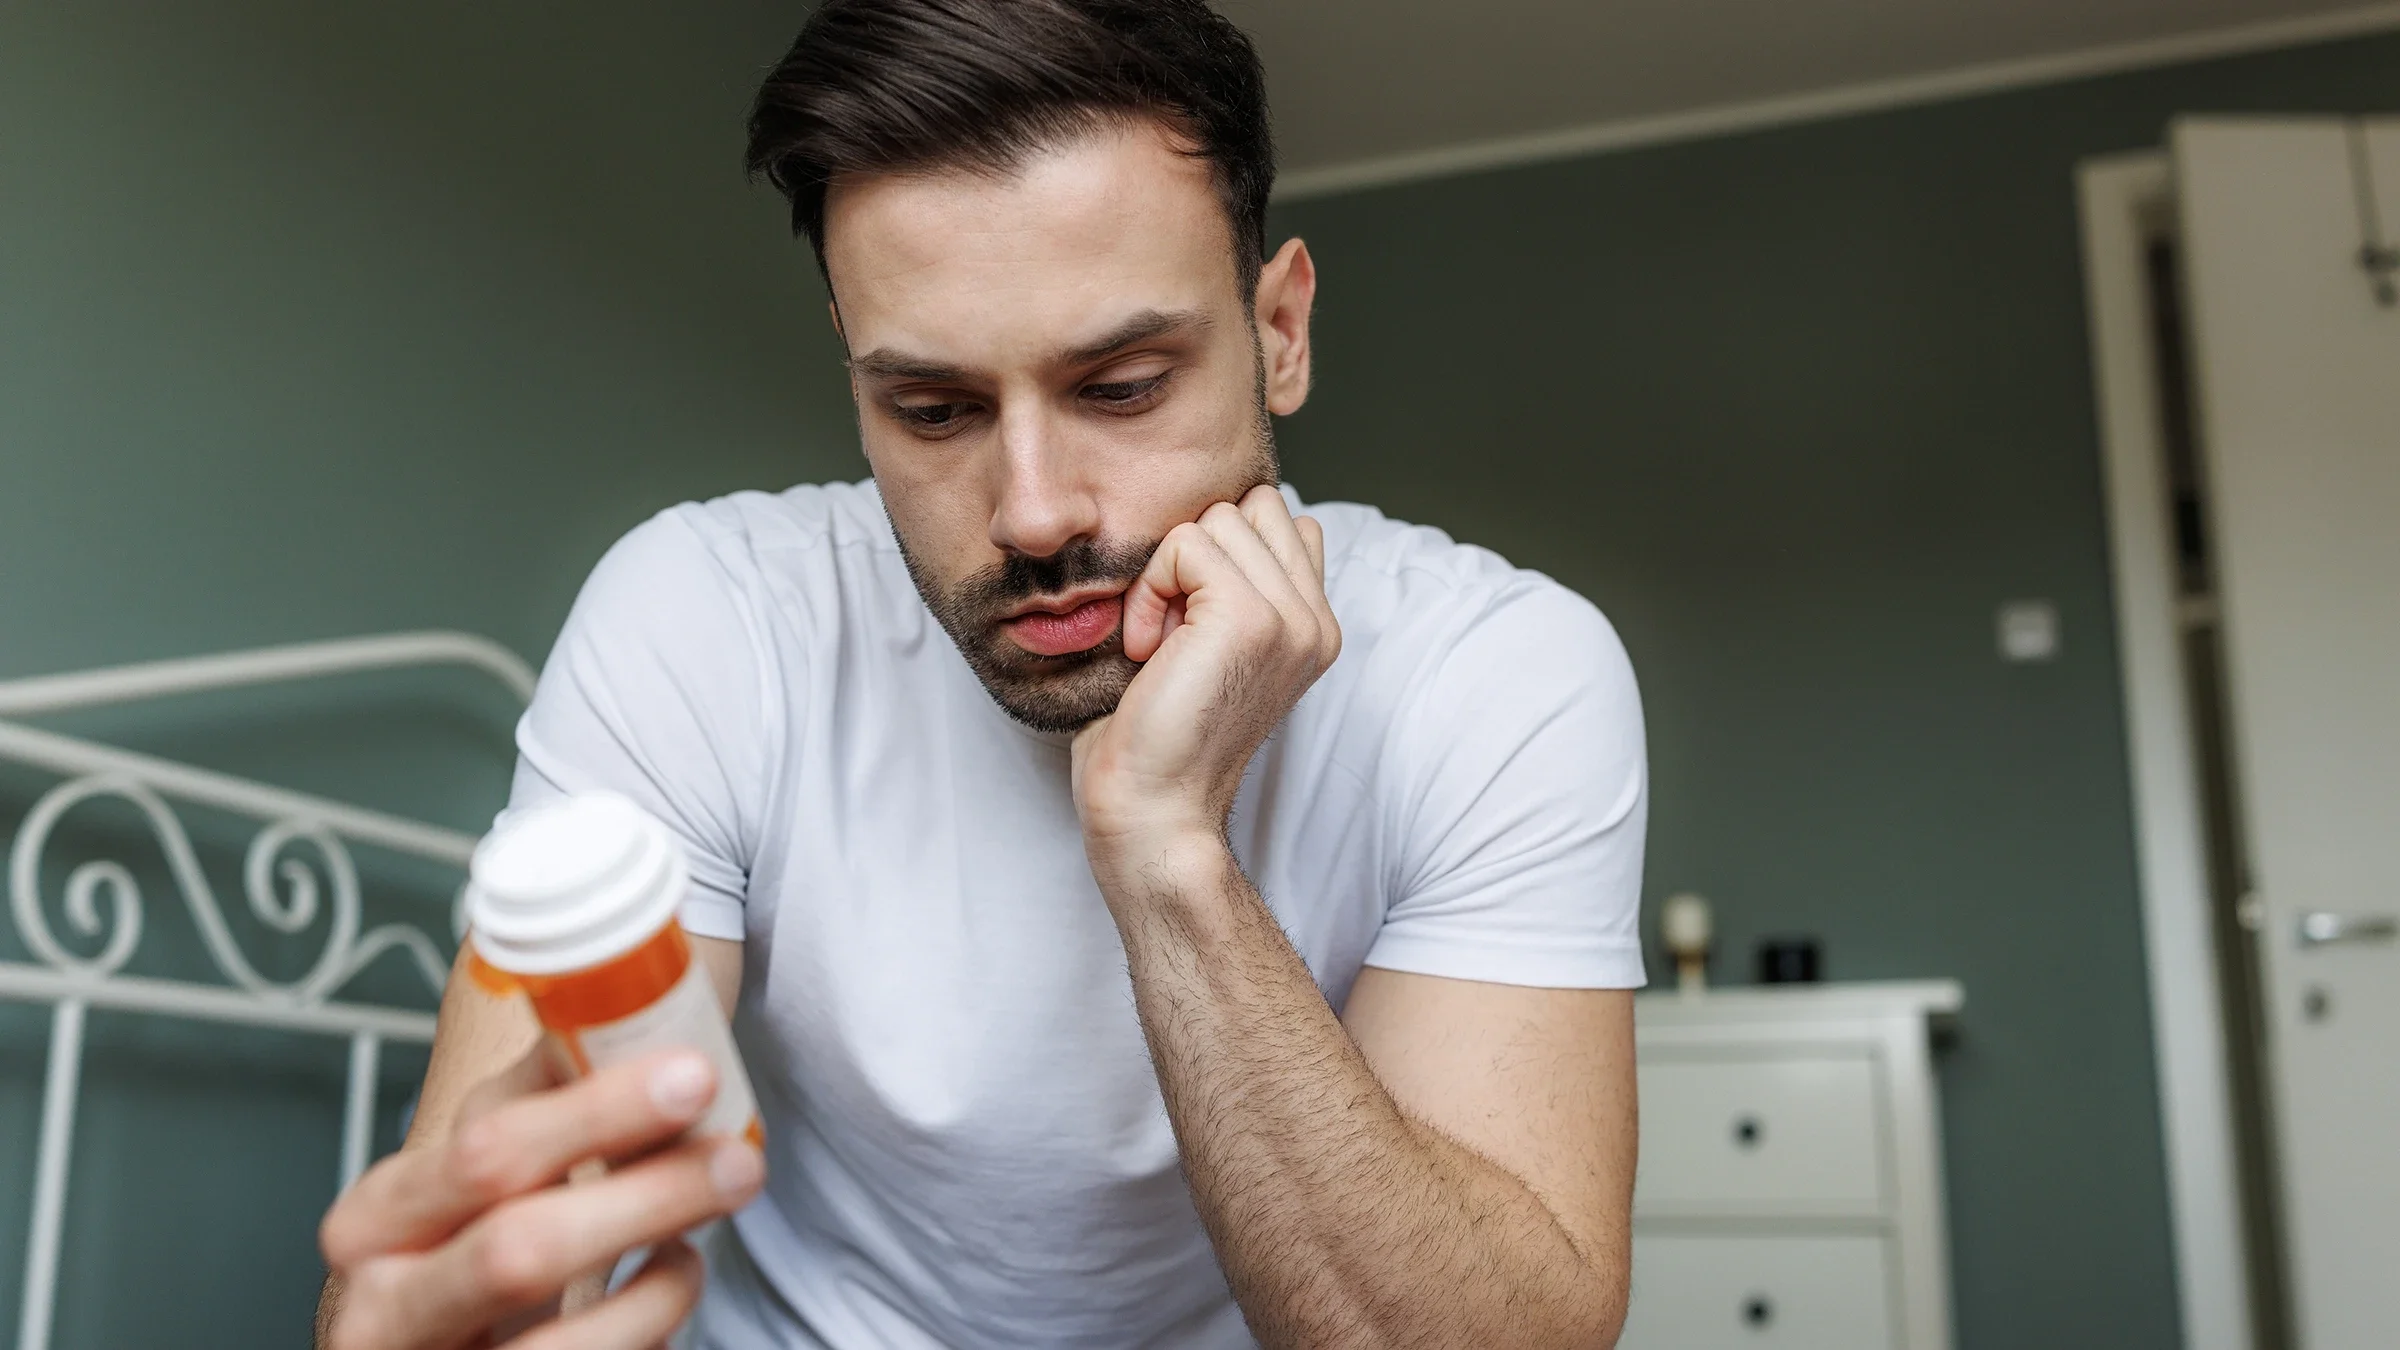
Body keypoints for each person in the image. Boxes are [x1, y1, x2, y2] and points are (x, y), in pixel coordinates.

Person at [315, 2, 1646, 1346]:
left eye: (1122, 385)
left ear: (1281, 331)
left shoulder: (1497, 675)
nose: (1032, 513)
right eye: (934, 410)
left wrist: (1167, 848)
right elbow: (506, 1245)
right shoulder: (705, 620)